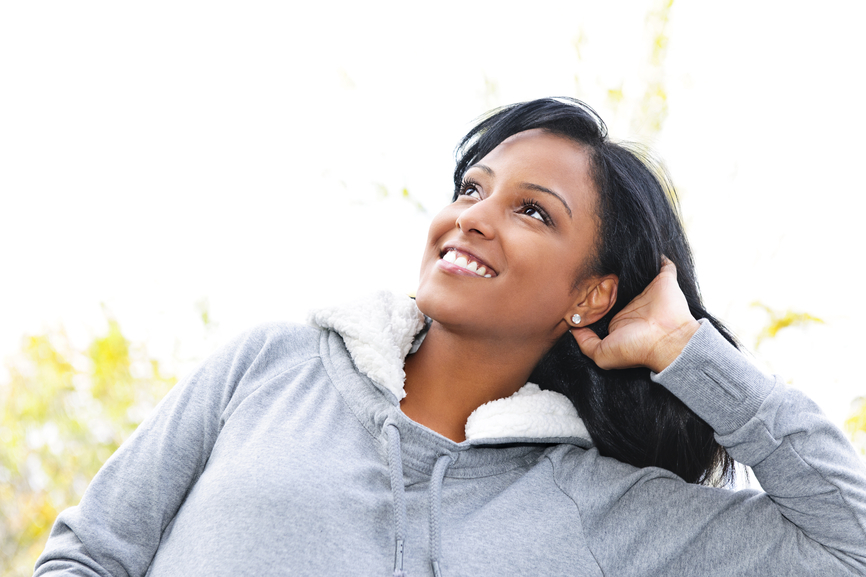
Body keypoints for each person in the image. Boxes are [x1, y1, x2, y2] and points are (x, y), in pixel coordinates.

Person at [34, 98, 866, 576]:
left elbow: (845, 543)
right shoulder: (273, 367)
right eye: (474, 187)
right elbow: (91, 553)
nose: (473, 218)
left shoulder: (603, 509)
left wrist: (690, 349)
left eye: (533, 210)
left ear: (591, 293)